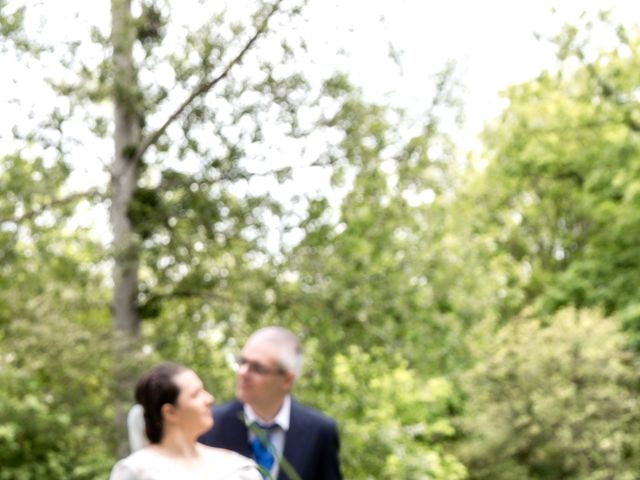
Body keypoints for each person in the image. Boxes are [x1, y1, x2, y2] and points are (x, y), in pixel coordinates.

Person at [199, 327, 342, 480]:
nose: (243, 372)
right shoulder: (209, 423)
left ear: (287, 380)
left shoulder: (319, 431)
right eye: (243, 362)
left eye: (257, 368)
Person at [110, 362, 261, 480]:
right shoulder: (136, 471)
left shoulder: (237, 467)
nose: (209, 399)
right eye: (195, 394)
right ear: (170, 412)